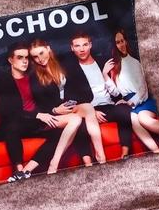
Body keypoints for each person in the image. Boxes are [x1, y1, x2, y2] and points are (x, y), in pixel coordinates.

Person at [64, 31, 159, 157]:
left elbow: (117, 87)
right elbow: (72, 98)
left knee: (125, 111)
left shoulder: (104, 62)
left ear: (90, 45)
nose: (82, 49)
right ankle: (90, 160)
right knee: (80, 126)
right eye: (77, 46)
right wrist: (91, 113)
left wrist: (119, 98)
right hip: (91, 108)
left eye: (85, 44)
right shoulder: (71, 71)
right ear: (72, 48)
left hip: (110, 105)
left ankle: (125, 152)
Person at [0, 43, 68, 181]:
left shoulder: (36, 75)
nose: (25, 61)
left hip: (36, 122)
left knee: (62, 132)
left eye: (26, 57)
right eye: (20, 57)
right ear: (10, 60)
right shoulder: (2, 81)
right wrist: (38, 115)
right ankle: (19, 169)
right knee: (11, 127)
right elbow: (10, 111)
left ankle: (27, 170)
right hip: (18, 122)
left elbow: (50, 99)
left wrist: (54, 110)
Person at [29, 38, 107, 166]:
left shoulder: (65, 62)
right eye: (35, 57)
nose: (40, 59)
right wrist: (55, 110)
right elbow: (40, 104)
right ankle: (85, 161)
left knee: (88, 107)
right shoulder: (34, 76)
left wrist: (72, 104)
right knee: (79, 121)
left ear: (48, 49)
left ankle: (100, 154)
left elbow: (85, 91)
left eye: (41, 53)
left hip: (71, 107)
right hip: (53, 115)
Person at [104, 29, 159, 138]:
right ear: (114, 45)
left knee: (143, 119)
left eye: (122, 41)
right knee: (133, 120)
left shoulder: (135, 62)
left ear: (126, 41)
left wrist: (131, 101)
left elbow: (143, 88)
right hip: (130, 105)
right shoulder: (115, 67)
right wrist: (105, 75)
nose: (121, 45)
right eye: (118, 42)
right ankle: (155, 148)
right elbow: (116, 93)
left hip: (143, 101)